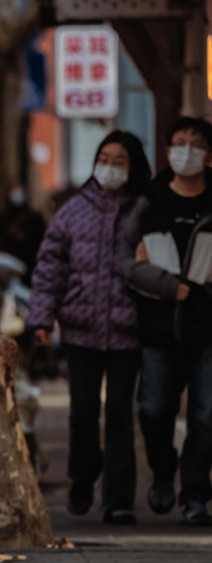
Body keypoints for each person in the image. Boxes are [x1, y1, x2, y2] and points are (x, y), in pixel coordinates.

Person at [28, 131, 151, 524]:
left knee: (118, 414)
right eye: (105, 158)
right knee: (82, 413)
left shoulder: (145, 212)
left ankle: (119, 499)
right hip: (80, 329)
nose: (110, 167)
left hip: (128, 331)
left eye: (120, 161)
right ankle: (82, 476)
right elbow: (49, 269)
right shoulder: (73, 211)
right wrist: (41, 319)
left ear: (133, 168)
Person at [118, 116, 212, 526]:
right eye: (178, 142)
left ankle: (195, 497)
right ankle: (162, 471)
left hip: (209, 329)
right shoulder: (148, 203)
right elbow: (123, 262)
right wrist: (164, 284)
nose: (185, 151)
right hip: (158, 327)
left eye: (194, 144)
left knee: (207, 417)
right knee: (154, 410)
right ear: (168, 150)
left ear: (207, 155)